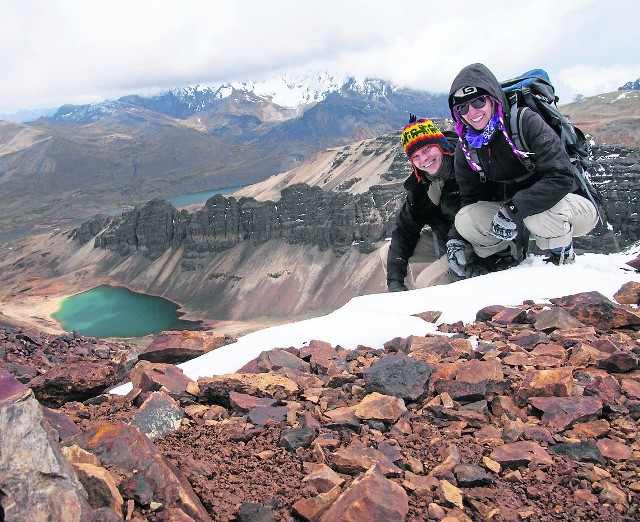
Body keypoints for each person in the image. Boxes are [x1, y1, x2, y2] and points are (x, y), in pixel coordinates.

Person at [445, 63, 599, 277]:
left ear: (492, 98)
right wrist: (456, 237)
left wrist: (514, 209)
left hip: (571, 207)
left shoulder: (525, 122)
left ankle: (561, 259)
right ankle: (506, 259)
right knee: (466, 219)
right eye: (462, 107)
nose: (472, 112)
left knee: (537, 215)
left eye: (478, 101)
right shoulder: (468, 146)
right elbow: (470, 199)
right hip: (516, 214)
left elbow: (562, 176)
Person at [382, 116, 486, 292]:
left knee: (427, 282)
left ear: (441, 144)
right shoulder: (422, 183)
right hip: (445, 239)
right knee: (388, 253)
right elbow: (405, 229)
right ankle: (403, 303)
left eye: (427, 149)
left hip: (475, 244)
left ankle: (441, 313)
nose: (424, 159)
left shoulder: (466, 164)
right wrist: (394, 280)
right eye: (416, 156)